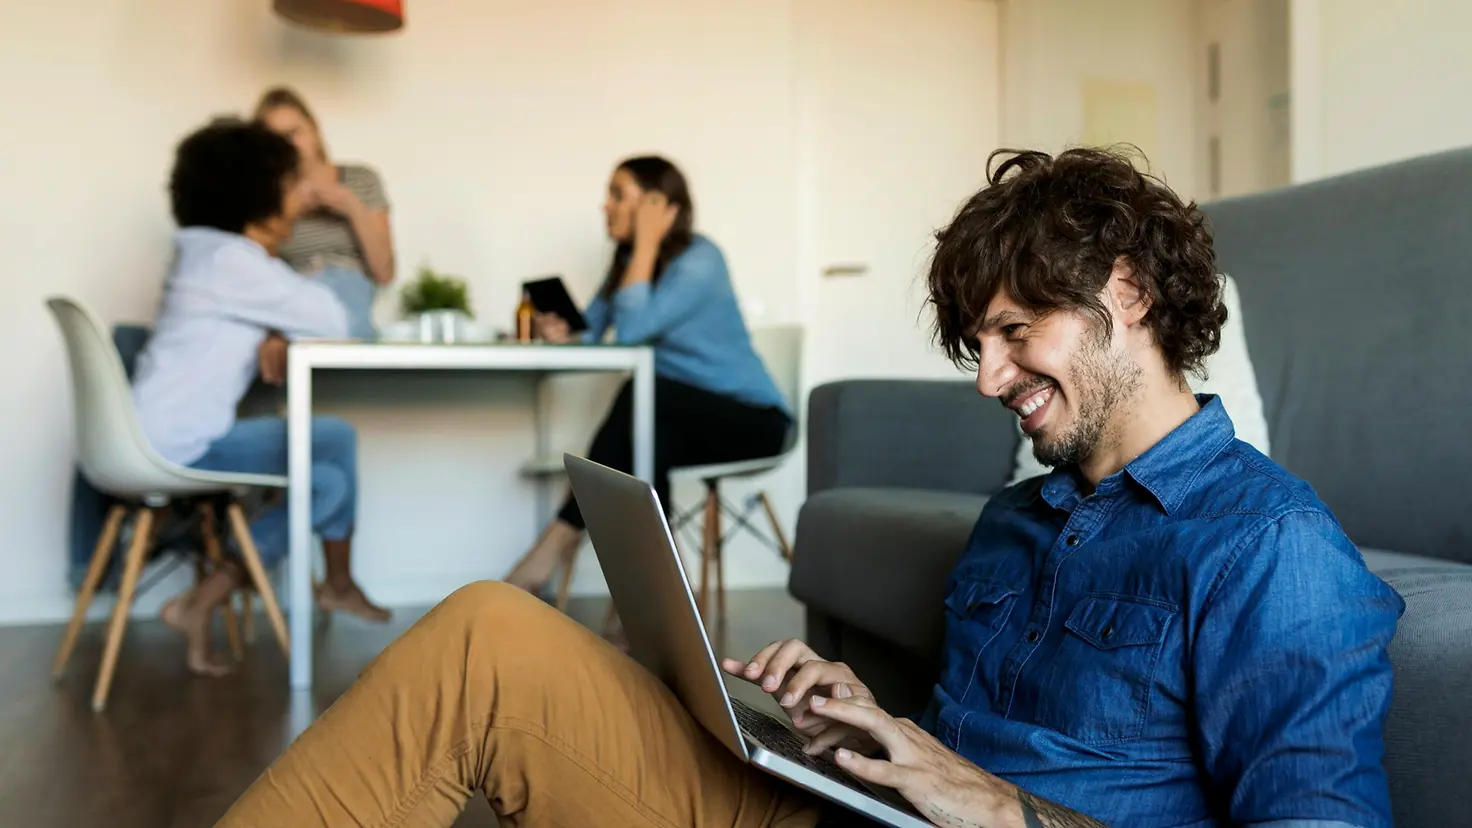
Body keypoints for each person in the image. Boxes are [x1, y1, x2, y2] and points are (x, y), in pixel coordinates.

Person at [215, 147, 1403, 828]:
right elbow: (965, 747)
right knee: (486, 633)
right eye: (972, 344)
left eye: (1012, 332)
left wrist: (995, 809)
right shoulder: (1014, 519)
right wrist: (861, 725)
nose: (985, 379)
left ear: (1127, 293)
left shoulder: (1269, 547)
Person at [133, 119, 391, 675]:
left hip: (157, 433)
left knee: (326, 482)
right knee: (337, 438)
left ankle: (201, 602)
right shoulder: (233, 261)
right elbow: (334, 320)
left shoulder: (209, 253)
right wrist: (312, 286)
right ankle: (338, 584)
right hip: (180, 443)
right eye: (292, 185)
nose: (301, 201)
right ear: (257, 192)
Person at [502, 156, 792, 606]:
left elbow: (634, 331)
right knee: (646, 443)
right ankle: (654, 604)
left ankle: (556, 542)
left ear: (659, 206)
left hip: (754, 422)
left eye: (619, 195)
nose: (605, 207)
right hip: (676, 416)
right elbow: (594, 336)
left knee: (644, 397)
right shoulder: (626, 265)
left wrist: (646, 244)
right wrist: (562, 334)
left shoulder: (701, 259)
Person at [255, 86, 395, 340]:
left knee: (335, 317)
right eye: (276, 139)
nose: (288, 146)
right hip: (292, 290)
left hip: (346, 288)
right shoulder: (267, 197)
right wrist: (288, 211)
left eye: (294, 133)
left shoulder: (360, 179)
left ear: (314, 131)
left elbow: (384, 273)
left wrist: (351, 207)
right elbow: (255, 269)